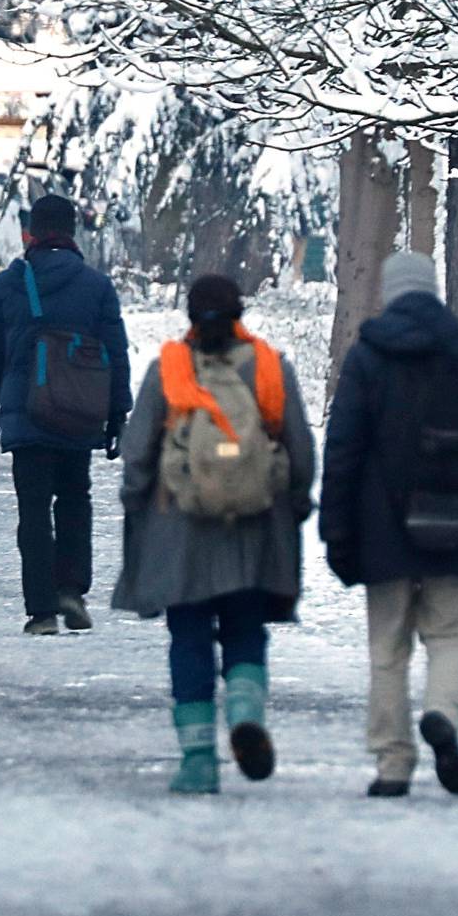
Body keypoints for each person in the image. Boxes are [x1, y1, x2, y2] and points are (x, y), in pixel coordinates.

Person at [320, 248, 458, 799]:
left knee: (388, 650)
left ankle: (392, 763)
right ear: (434, 291)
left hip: (383, 529)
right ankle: (442, 717)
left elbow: (343, 452)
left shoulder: (368, 356)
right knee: (452, 636)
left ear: (389, 293)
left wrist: (337, 532)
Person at [114, 275, 317, 794]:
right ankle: (246, 711)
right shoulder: (270, 366)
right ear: (240, 313)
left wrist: (137, 505)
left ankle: (199, 759)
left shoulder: (169, 370)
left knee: (189, 638)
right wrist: (291, 505)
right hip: (251, 526)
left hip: (181, 529)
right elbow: (299, 449)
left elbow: (137, 452)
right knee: (246, 628)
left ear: (189, 315)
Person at [0, 191, 129, 635]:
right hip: (79, 412)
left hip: (27, 414)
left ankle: (41, 610)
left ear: (31, 234)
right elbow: (115, 353)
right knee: (75, 501)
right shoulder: (96, 286)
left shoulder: (9, 283)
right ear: (73, 232)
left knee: (34, 510)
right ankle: (72, 591)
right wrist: (116, 413)